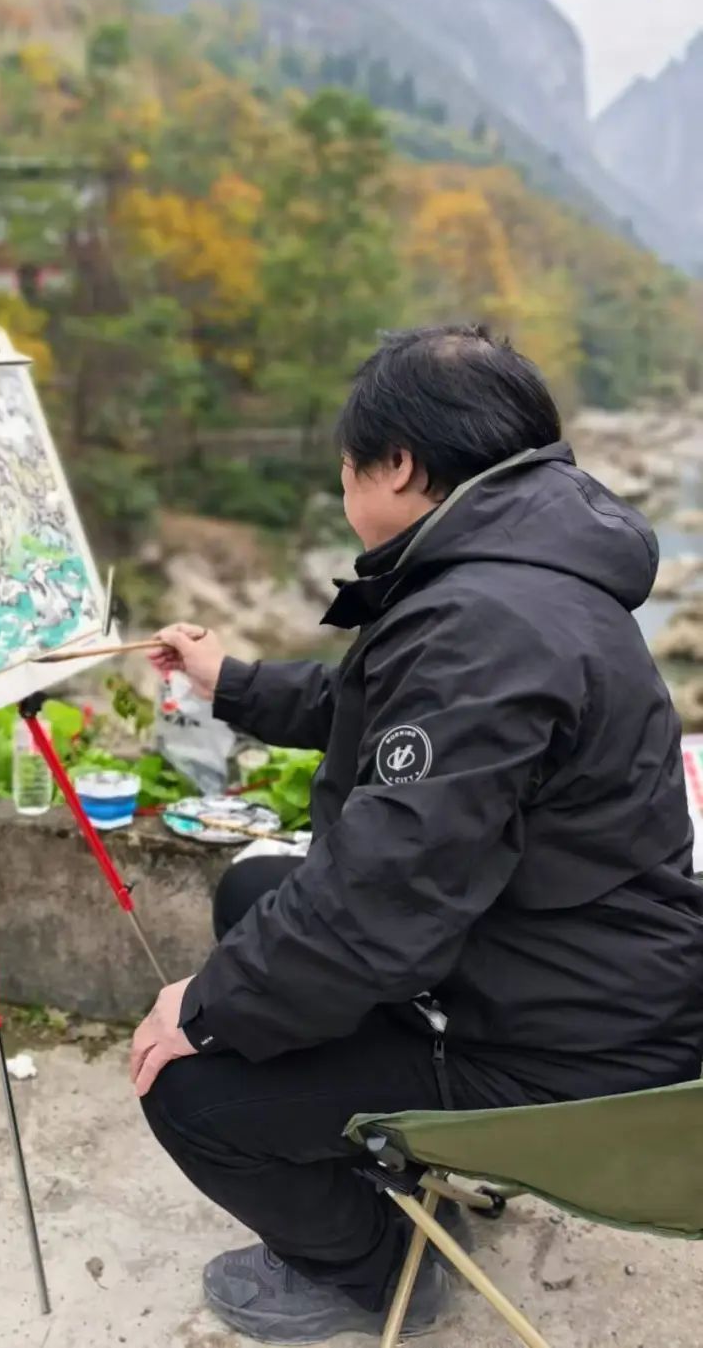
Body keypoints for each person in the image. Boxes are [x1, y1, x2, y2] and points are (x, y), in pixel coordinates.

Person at [129, 324, 703, 1343]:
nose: (347, 491)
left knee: (186, 1088)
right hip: (577, 971)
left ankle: (382, 1269)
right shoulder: (526, 572)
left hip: (563, 1049)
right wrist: (233, 685)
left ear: (398, 465)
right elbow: (391, 712)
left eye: (349, 467)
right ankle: (378, 1155)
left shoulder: (483, 623)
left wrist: (207, 1009)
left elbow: (380, 900)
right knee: (253, 897)